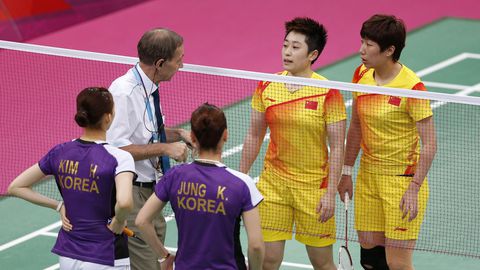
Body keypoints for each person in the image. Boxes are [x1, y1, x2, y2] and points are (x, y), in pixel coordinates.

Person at [240, 17, 346, 270]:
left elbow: (338, 146)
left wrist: (331, 192)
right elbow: (254, 135)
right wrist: (240, 178)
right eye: (285, 44)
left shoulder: (328, 92)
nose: (287, 52)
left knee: (322, 263)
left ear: (313, 54)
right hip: (274, 185)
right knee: (268, 259)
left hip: (314, 190)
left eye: (295, 47)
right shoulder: (267, 86)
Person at [337, 14, 437, 270]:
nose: (361, 50)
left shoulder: (412, 88)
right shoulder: (361, 74)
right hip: (369, 177)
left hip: (401, 182)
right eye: (362, 42)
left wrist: (414, 188)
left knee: (398, 263)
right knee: (369, 258)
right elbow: (357, 124)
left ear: (389, 50)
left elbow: (430, 144)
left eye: (369, 45)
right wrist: (347, 171)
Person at [8, 87, 135, 269]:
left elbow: (16, 187)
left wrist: (58, 206)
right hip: (106, 254)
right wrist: (119, 221)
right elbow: (124, 203)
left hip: (68, 254)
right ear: (108, 117)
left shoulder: (59, 152)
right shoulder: (120, 158)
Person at [135, 103, 265, 269]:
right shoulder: (242, 183)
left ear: (193, 137)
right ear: (225, 135)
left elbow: (141, 221)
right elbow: (256, 246)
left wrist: (164, 256)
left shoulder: (175, 176)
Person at [106, 28, 191, 270]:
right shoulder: (124, 92)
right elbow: (115, 148)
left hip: (152, 190)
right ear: (160, 63)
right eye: (179, 60)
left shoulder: (149, 87)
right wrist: (165, 148)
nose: (182, 66)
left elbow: (147, 132)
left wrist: (181, 135)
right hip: (131, 193)